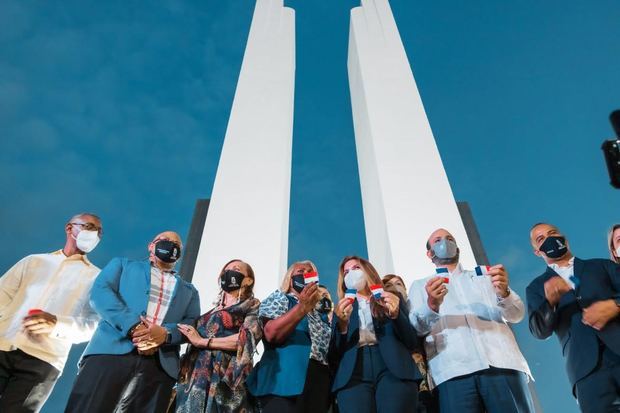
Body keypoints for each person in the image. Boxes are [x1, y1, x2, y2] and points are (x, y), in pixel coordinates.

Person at [65, 231, 201, 413]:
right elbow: (100, 294)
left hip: (160, 366)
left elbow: (191, 322)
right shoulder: (122, 265)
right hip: (110, 353)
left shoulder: (190, 291)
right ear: (151, 246)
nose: (171, 244)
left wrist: (165, 334)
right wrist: (134, 326)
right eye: (165, 240)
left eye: (176, 243)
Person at [409, 228, 534, 413]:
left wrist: (505, 293)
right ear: (429, 253)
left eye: (450, 238)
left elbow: (516, 314)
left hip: (503, 365)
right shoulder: (420, 286)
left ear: (457, 247)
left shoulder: (486, 278)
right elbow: (414, 329)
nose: (445, 242)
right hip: (452, 372)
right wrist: (431, 305)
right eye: (438, 240)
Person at [0, 213, 102, 413]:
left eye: (99, 232)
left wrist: (56, 324)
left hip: (43, 361)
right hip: (3, 346)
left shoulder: (97, 278)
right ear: (69, 228)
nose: (94, 234)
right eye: (89, 226)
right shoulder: (33, 261)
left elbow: (93, 326)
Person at [526, 223, 620, 412]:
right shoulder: (536, 288)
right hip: (586, 372)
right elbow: (538, 330)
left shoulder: (602, 265)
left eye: (553, 233)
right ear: (537, 251)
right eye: (541, 239)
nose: (549, 239)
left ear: (564, 238)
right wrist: (549, 302)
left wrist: (614, 305)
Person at [332, 256, 421, 413]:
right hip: (353, 372)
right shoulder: (341, 309)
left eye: (356, 268)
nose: (351, 274)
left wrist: (396, 315)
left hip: (393, 367)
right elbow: (334, 352)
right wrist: (342, 325)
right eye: (346, 272)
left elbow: (411, 340)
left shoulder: (391, 298)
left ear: (368, 270)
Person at [175, 259, 261, 413]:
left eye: (236, 269)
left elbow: (245, 340)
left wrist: (203, 342)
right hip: (193, 378)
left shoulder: (251, 306)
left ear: (248, 280)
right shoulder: (208, 313)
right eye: (225, 270)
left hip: (224, 377)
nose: (229, 272)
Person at [246, 260, 332, 413]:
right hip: (283, 382)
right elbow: (272, 333)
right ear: (290, 280)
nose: (305, 274)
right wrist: (302, 307)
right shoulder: (281, 298)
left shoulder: (320, 313)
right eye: (300, 272)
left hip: (317, 384)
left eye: (309, 272)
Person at [382, 274, 436, 413]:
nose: (394, 287)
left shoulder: (420, 308)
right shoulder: (384, 313)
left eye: (398, 284)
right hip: (401, 375)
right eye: (388, 285)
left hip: (429, 373)